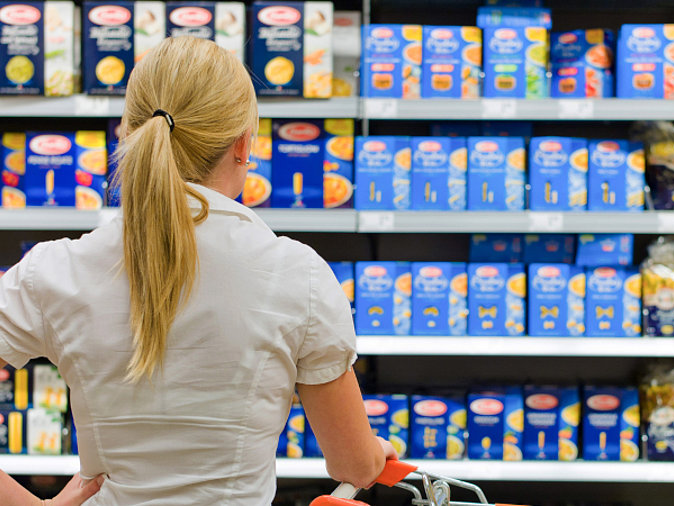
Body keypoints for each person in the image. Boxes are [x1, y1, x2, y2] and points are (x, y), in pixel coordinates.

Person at [0, 36, 395, 504]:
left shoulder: (55, 269)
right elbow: (352, 465)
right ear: (244, 145)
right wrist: (373, 454)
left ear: (126, 134)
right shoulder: (298, 274)